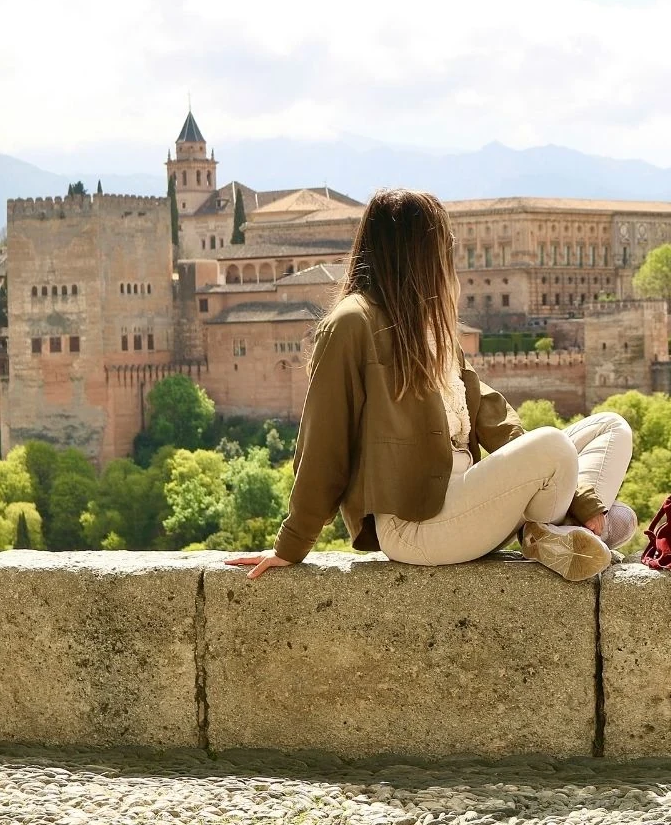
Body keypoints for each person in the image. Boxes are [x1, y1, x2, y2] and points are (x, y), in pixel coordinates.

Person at [225, 189, 635, 582]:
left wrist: (581, 495)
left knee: (610, 427)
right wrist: (292, 544)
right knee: (553, 447)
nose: (450, 258)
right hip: (420, 524)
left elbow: (496, 420)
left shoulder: (430, 326)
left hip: (473, 499)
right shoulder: (352, 323)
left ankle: (555, 535)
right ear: (416, 252)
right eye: (443, 245)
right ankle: (565, 531)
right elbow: (323, 443)